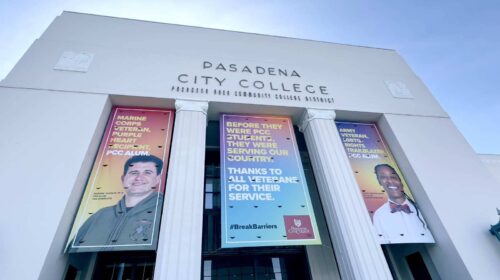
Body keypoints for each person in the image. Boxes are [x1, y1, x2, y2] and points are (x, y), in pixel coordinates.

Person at [69, 155, 164, 252]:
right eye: (133, 172)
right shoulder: (100, 215)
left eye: (147, 173)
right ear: (123, 179)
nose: (139, 178)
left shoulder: (165, 213)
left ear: (157, 179)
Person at [372, 164, 434, 244]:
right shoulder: (379, 214)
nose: (390, 181)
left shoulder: (421, 206)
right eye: (383, 177)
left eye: (393, 177)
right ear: (379, 182)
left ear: (400, 179)